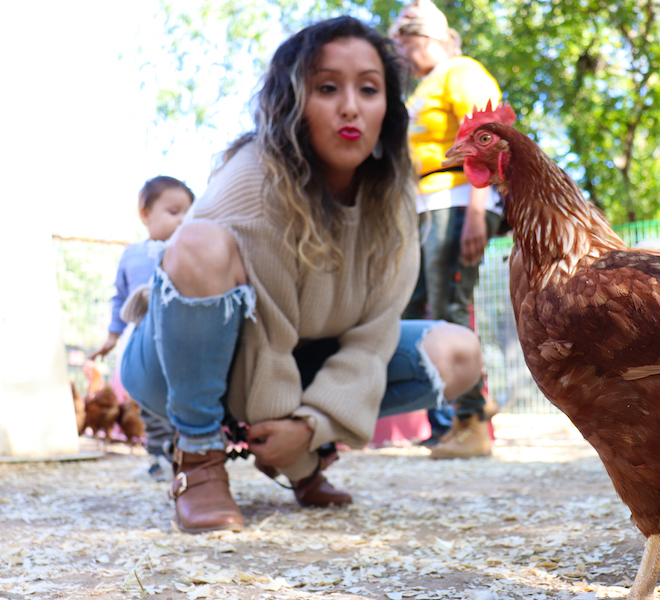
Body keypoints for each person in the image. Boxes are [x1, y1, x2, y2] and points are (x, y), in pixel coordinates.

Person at [119, 16, 485, 534]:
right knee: (199, 244)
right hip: (182, 360)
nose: (351, 106)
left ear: (388, 108)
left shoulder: (397, 194)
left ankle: (307, 451)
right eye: (328, 88)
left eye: (369, 89)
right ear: (294, 103)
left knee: (458, 352)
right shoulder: (254, 178)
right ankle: (198, 456)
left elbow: (373, 337)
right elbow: (264, 342)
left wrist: (310, 429)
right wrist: (297, 459)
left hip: (297, 356)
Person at [389, 0, 503, 458]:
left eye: (404, 44)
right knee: (416, 311)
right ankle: (466, 411)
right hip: (423, 207)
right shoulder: (420, 89)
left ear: (428, 38)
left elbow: (489, 133)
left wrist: (478, 210)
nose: (400, 54)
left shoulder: (461, 70)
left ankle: (473, 423)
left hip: (458, 200)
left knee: (448, 307)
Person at [90, 176, 194, 479]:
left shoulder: (194, 250)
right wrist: (112, 337)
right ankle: (159, 458)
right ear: (145, 214)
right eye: (174, 212)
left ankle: (190, 456)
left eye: (189, 213)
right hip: (144, 344)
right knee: (149, 402)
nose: (183, 220)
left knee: (183, 400)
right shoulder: (132, 255)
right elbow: (120, 298)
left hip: (181, 342)